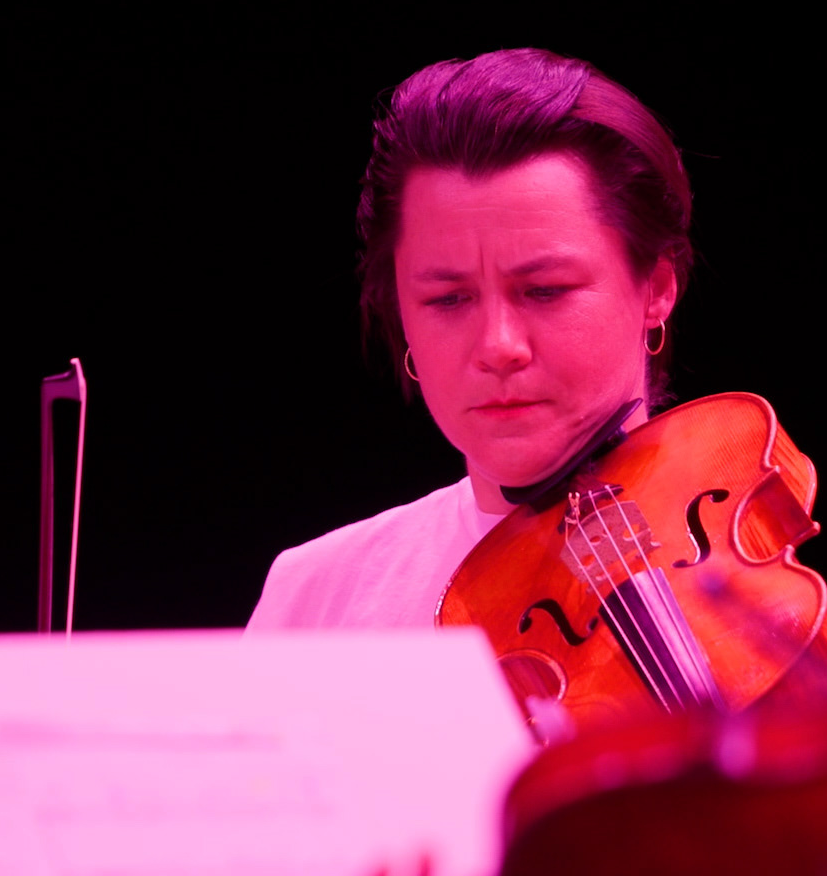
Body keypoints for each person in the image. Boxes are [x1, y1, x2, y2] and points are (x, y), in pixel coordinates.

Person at [248, 47, 693, 630]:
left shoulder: (757, 567)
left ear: (656, 288)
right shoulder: (316, 598)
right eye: (448, 299)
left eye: (545, 290)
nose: (498, 347)